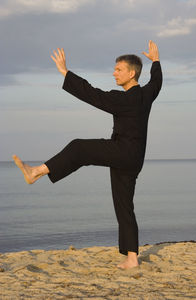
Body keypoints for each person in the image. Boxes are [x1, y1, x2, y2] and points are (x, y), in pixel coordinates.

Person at [12, 40, 162, 269]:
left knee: (79, 148)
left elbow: (92, 94)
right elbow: (157, 81)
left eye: (118, 69)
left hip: (122, 152)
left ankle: (37, 172)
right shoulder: (147, 94)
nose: (114, 73)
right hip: (134, 158)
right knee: (124, 205)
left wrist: (65, 72)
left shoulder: (122, 99)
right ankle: (132, 258)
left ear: (132, 74)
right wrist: (156, 62)